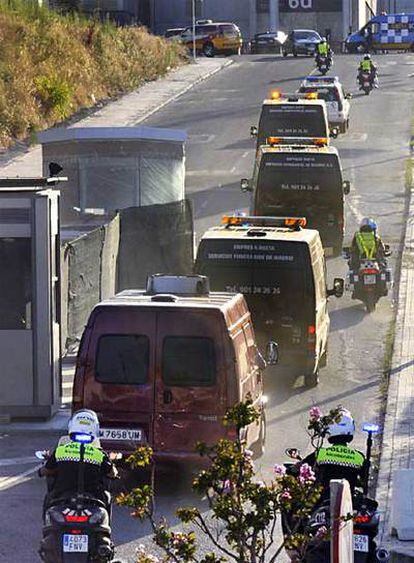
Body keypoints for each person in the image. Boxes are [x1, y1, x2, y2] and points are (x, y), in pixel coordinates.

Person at [39, 409, 117, 520]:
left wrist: (42, 470)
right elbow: (112, 473)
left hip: (62, 497)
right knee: (107, 498)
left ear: (71, 426)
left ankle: (46, 525)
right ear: (95, 428)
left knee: (49, 498)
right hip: (93, 499)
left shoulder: (61, 451)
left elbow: (46, 470)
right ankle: (107, 529)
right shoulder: (99, 454)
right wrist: (112, 463)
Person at [301, 408, 368, 498]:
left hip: (321, 502)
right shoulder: (359, 457)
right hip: (347, 505)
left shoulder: (321, 454)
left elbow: (301, 468)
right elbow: (365, 480)